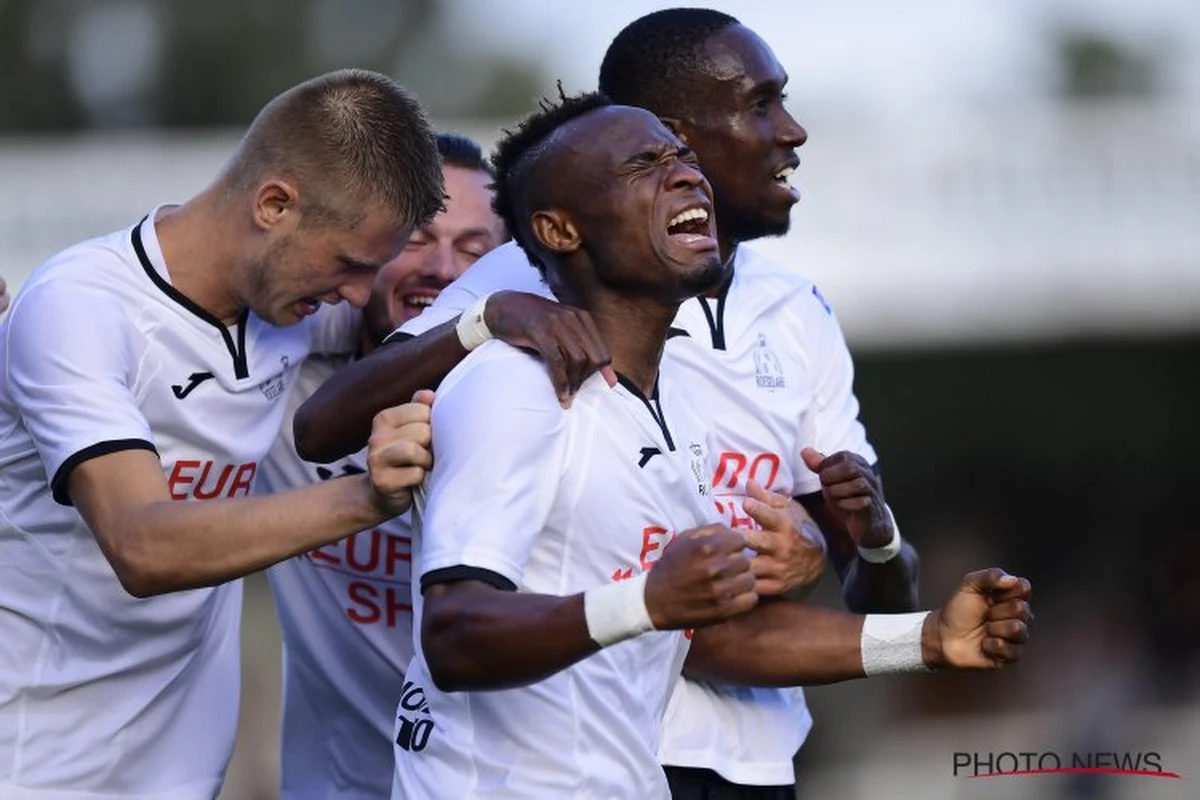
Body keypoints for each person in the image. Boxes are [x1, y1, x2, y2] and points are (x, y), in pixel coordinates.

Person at [295, 10, 917, 797]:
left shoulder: (797, 313)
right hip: (591, 747)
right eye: (761, 105)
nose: (790, 131)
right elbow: (322, 429)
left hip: (752, 758)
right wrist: (485, 323)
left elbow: (863, 581)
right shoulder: (525, 285)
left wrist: (864, 549)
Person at [391, 92, 1032, 799]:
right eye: (644, 165)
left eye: (683, 158)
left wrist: (929, 639)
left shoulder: (677, 410)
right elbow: (453, 634)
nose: (687, 177)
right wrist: (648, 600)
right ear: (559, 229)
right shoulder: (513, 386)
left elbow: (711, 639)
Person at [0, 69, 442, 799]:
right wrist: (367, 498)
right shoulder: (78, 308)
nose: (358, 297)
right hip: (36, 767)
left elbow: (420, 314)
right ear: (275, 204)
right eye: (348, 265)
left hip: (180, 775)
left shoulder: (288, 310)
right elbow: (144, 545)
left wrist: (496, 316)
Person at [257, 132, 506, 800]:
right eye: (417, 240)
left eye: (476, 250)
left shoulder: (551, 405)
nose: (446, 271)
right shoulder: (279, 377)